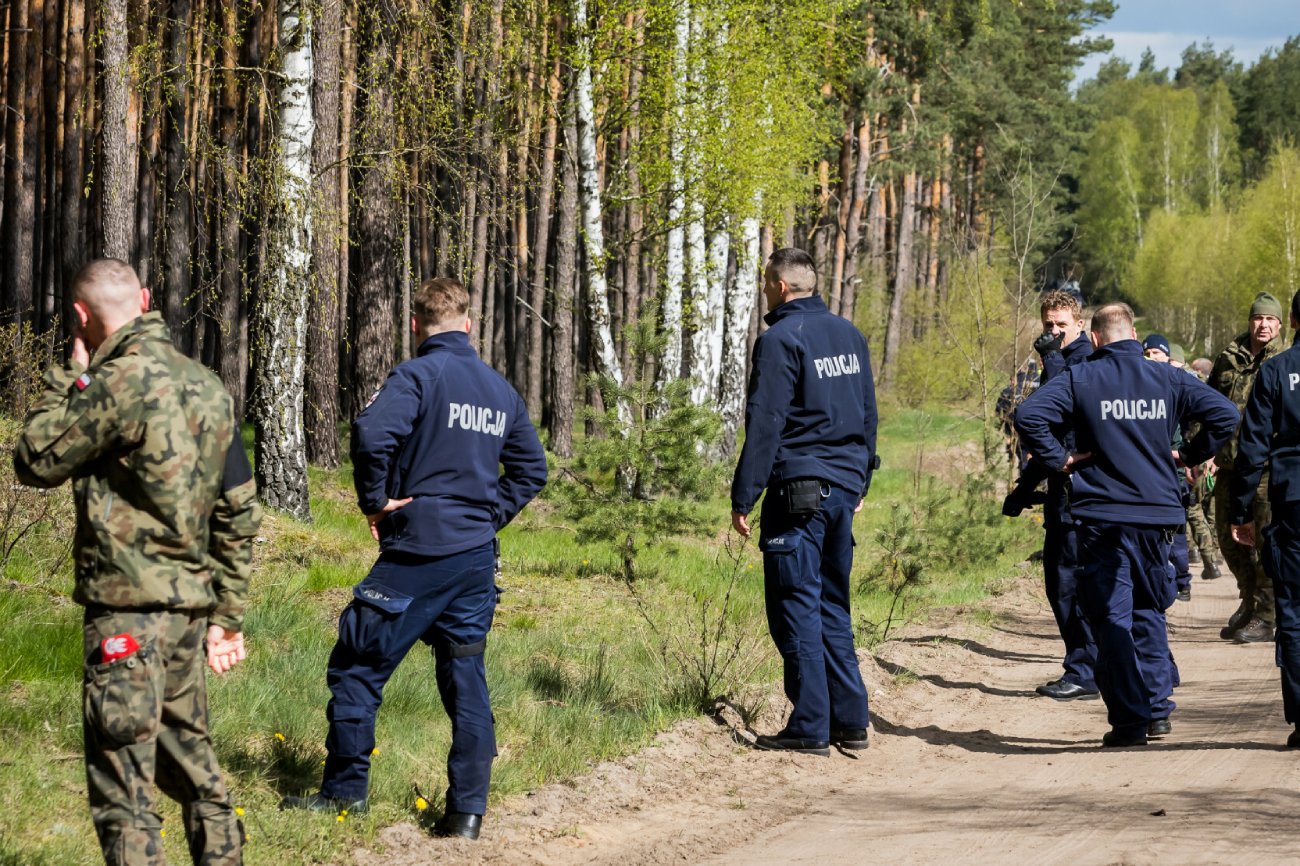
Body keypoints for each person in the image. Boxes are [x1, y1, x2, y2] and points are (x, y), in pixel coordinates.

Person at [13, 258, 261, 866]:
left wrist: (71, 378)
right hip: (187, 617)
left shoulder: (113, 385)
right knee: (194, 766)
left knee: (125, 791)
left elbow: (35, 458)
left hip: (126, 617)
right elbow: (239, 508)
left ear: (79, 316)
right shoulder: (207, 384)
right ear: (146, 299)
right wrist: (227, 612)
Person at [281, 277, 546, 840]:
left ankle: (343, 794)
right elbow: (532, 470)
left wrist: (375, 503)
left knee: (357, 664)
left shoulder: (418, 375)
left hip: (421, 552)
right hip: (476, 559)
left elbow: (372, 433)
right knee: (465, 677)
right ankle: (467, 814)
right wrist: (486, 515)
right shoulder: (501, 390)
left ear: (414, 324)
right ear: (468, 323)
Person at [1015, 302, 1238, 747]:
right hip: (1157, 517)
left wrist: (1062, 460)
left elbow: (1027, 417)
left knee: (1110, 615)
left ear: (1094, 338)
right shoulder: (1169, 377)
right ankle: (1157, 709)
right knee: (1146, 610)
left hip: (1103, 518)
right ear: (1134, 335)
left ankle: (1131, 720)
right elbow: (1226, 416)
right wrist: (1191, 455)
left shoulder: (1081, 378)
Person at [730, 247, 878, 756]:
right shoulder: (850, 335)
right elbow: (868, 416)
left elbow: (766, 422)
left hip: (798, 495)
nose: (766, 290)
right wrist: (861, 484)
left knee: (796, 606)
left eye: (767, 283)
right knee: (833, 604)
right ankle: (852, 720)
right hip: (842, 492)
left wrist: (743, 495)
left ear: (780, 285)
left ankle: (811, 724)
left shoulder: (779, 339)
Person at [1016, 290, 1099, 701]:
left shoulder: (1084, 361)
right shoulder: (1058, 360)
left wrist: (1052, 358)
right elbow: (1046, 439)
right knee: (1061, 582)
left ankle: (1085, 670)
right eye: (1048, 325)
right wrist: (1023, 489)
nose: (1053, 332)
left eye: (1061, 325)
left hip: (1082, 492)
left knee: (1070, 583)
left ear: (1079, 325)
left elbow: (1063, 420)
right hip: (1061, 489)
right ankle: (1088, 665)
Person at [1230, 289, 1300, 747]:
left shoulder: (1276, 371)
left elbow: (1252, 447)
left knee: (1293, 611)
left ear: (1292, 319)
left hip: (1293, 500)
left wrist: (1240, 510)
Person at [1210, 292, 1287, 643]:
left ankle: (1266, 614)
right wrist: (1201, 452)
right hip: (1228, 465)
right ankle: (1248, 599)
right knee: (1228, 538)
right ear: (1249, 321)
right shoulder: (1228, 359)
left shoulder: (1285, 361)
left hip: (1267, 468)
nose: (1264, 325)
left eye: (1270, 319)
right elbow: (1206, 406)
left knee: (1265, 541)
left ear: (1281, 324)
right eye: (1258, 318)